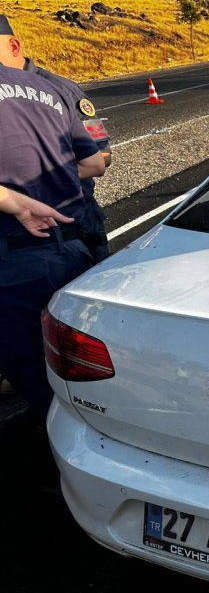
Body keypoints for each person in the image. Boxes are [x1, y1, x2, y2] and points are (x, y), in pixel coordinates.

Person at [0, 64, 105, 427]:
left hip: (13, 264)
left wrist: (12, 200)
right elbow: (93, 161)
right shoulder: (50, 87)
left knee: (39, 382)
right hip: (71, 252)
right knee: (80, 372)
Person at [0, 14, 112, 261]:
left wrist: (33, 183)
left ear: (14, 47)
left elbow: (102, 156)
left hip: (75, 220)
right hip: (16, 231)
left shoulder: (61, 88)